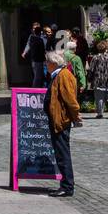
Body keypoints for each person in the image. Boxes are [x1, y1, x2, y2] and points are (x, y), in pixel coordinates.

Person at [43, 49, 79, 197]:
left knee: (63, 154)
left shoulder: (63, 76)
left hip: (61, 120)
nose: (46, 64)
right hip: (57, 119)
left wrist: (76, 116)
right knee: (60, 154)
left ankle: (67, 186)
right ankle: (65, 184)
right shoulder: (57, 75)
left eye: (47, 62)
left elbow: (70, 100)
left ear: (53, 63)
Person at [87, 39, 108, 118]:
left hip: (99, 80)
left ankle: (100, 113)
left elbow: (91, 69)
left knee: (99, 97)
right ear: (106, 48)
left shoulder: (96, 58)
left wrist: (89, 78)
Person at [22, 21, 47, 86]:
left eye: (36, 28)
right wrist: (25, 52)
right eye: (33, 28)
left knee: (44, 75)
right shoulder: (31, 36)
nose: (34, 30)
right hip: (35, 59)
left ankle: (43, 89)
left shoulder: (43, 35)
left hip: (43, 59)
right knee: (36, 75)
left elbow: (45, 46)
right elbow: (28, 44)